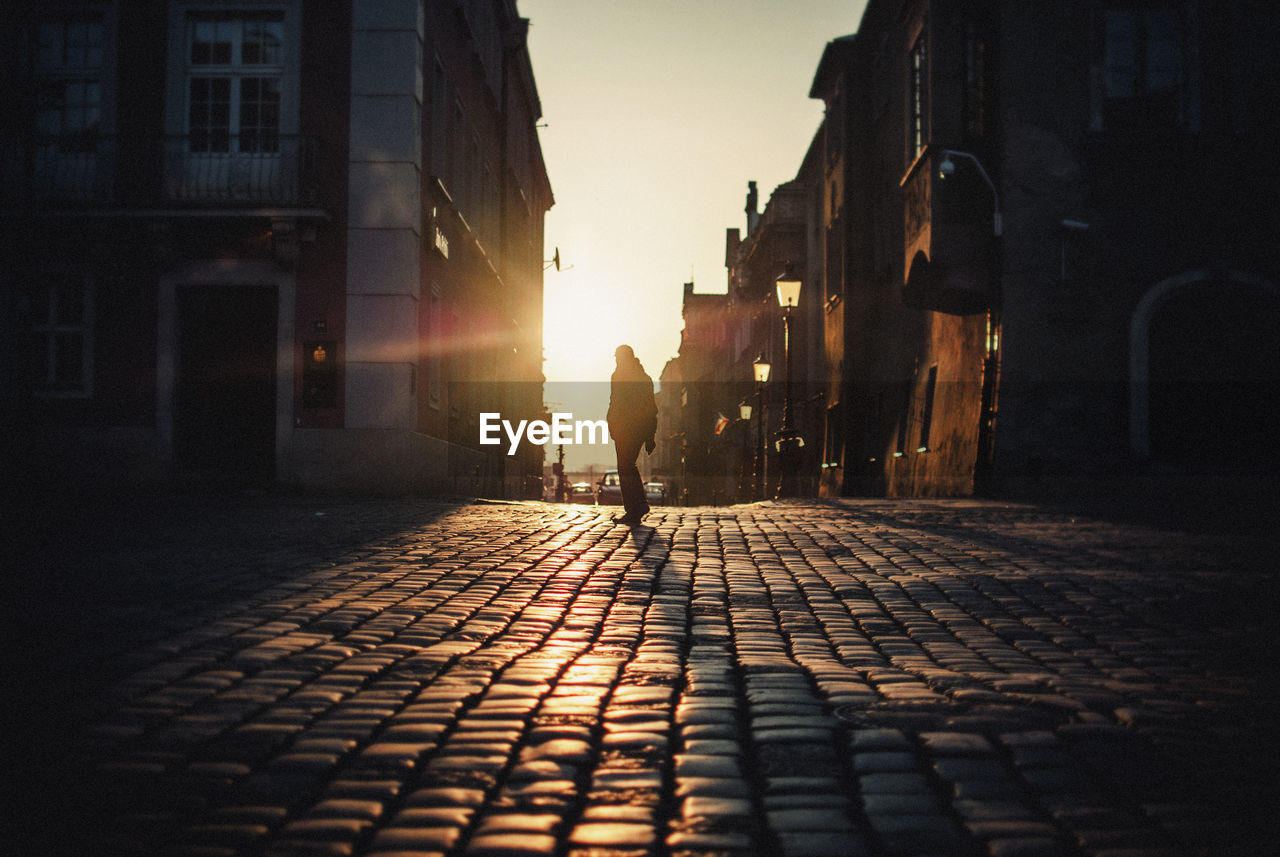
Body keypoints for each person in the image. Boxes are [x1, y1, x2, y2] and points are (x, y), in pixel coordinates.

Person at [606, 344, 657, 526]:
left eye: (618, 357)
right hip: (635, 429)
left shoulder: (619, 376)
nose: (616, 360)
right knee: (628, 466)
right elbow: (652, 409)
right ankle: (637, 507)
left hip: (626, 429)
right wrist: (650, 435)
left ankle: (635, 508)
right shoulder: (644, 378)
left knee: (625, 467)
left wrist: (612, 423)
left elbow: (616, 404)